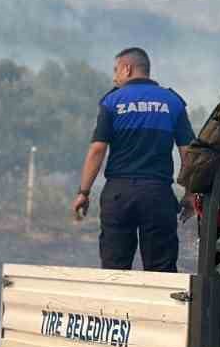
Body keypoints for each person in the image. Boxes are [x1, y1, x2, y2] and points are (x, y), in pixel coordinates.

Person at [71, 46, 194, 272]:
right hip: (157, 194)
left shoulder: (111, 102)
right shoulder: (173, 102)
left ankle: (116, 307)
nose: (115, 76)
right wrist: (189, 193)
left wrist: (84, 192)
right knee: (161, 271)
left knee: (115, 269)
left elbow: (97, 150)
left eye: (116, 70)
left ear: (127, 69)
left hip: (119, 194)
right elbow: (188, 152)